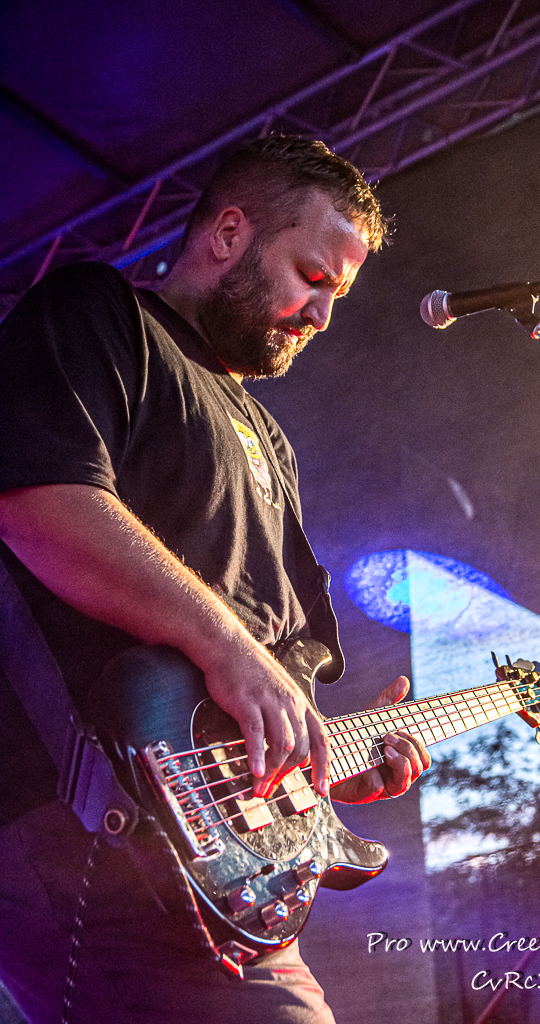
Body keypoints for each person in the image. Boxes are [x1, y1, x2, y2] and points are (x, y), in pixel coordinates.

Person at [0, 136, 430, 1024]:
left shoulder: (268, 439)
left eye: (338, 295)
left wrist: (308, 768)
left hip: (217, 860)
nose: (321, 315)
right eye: (312, 276)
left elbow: (260, 673)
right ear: (229, 234)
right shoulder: (97, 311)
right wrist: (229, 647)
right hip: (93, 822)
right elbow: (41, 504)